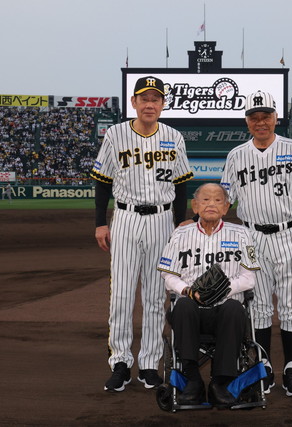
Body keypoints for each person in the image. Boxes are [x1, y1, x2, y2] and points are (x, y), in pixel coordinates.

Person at [91, 76, 194, 393]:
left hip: (162, 220)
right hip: (125, 217)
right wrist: (100, 222)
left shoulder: (174, 137)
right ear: (134, 102)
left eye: (155, 99)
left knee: (154, 296)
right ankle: (120, 363)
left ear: (162, 104)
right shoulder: (115, 134)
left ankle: (149, 364)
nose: (150, 104)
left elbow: (181, 186)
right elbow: (102, 181)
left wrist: (179, 225)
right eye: (144, 98)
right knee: (121, 294)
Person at [220, 90, 292, 398]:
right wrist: (198, 221)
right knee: (260, 308)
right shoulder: (236, 155)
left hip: (291, 236)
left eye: (266, 116)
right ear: (247, 121)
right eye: (254, 117)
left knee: (291, 307)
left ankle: (291, 369)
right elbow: (224, 200)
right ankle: (263, 368)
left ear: (276, 118)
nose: (260, 122)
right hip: (251, 237)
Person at [157, 183, 260, 407]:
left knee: (234, 308)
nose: (211, 204)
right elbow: (168, 274)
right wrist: (187, 290)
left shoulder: (242, 234)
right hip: (191, 310)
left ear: (226, 207)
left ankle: (221, 382)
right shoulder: (180, 234)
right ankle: (192, 380)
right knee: (183, 305)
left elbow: (249, 278)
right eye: (205, 200)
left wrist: (223, 290)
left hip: (225, 310)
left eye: (217, 200)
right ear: (195, 206)